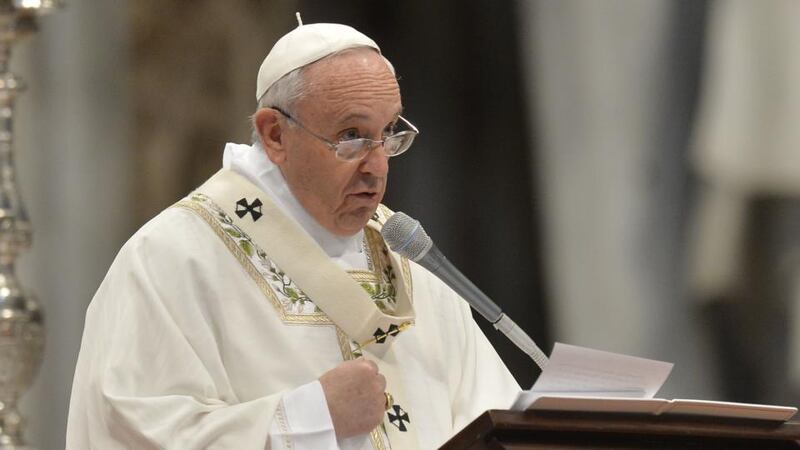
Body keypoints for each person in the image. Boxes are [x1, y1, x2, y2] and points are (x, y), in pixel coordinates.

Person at [66, 20, 520, 450]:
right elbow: (130, 433)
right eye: (352, 136)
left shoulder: (411, 263)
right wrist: (307, 417)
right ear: (275, 134)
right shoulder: (173, 258)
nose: (377, 166)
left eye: (388, 134)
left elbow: (496, 422)